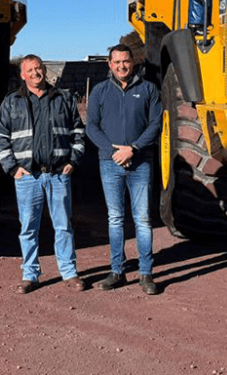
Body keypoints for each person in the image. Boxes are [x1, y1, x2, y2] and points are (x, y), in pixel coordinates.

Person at [0, 55, 87, 294]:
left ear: (44, 70)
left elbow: (78, 132)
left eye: (38, 68)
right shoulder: (12, 102)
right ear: (22, 75)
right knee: (28, 228)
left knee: (64, 226)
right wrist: (12, 168)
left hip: (58, 174)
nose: (35, 73)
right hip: (28, 177)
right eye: (30, 70)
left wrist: (73, 161)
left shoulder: (63, 98)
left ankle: (69, 272)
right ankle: (30, 275)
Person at [86, 44, 163, 295]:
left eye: (126, 61)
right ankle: (117, 271)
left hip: (141, 163)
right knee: (115, 218)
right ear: (110, 64)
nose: (122, 66)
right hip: (110, 163)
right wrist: (114, 152)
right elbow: (92, 127)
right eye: (117, 62)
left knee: (142, 219)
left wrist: (134, 149)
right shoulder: (100, 91)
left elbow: (156, 124)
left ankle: (146, 273)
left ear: (133, 62)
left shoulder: (148, 89)